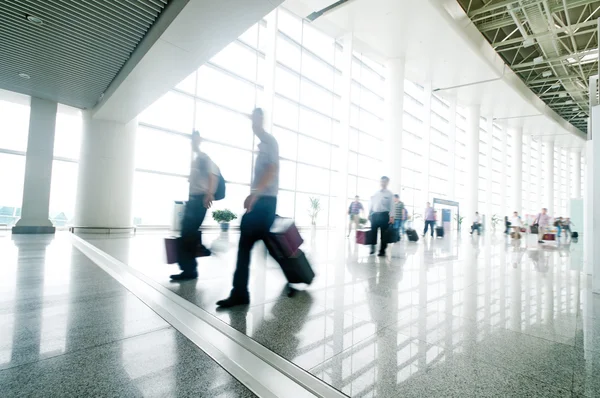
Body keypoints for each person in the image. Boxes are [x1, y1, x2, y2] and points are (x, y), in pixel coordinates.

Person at [217, 108, 279, 308]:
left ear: (262, 119)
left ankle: (240, 293)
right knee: (263, 244)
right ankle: (298, 273)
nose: (253, 125)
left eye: (255, 120)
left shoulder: (269, 142)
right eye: (251, 121)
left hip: (265, 202)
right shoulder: (263, 145)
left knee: (249, 244)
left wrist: (255, 194)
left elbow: (271, 170)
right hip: (263, 202)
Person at [170, 130, 219, 281]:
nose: (193, 143)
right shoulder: (196, 161)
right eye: (192, 140)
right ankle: (190, 266)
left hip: (200, 200)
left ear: (200, 140)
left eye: (195, 140)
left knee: (187, 232)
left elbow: (213, 176)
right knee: (187, 233)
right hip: (193, 199)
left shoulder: (204, 158)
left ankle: (190, 269)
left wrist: (209, 193)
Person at [369, 176, 394, 256]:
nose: (383, 183)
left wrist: (392, 217)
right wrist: (369, 213)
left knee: (384, 234)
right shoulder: (376, 193)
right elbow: (372, 204)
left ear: (387, 182)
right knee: (373, 232)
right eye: (382, 181)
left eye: (385, 181)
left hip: (384, 215)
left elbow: (392, 206)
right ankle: (372, 247)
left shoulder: (389, 194)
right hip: (375, 215)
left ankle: (382, 250)